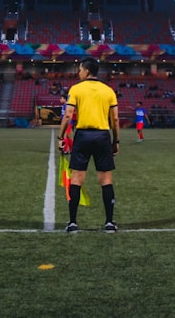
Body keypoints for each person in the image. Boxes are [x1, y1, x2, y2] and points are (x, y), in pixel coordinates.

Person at [57, 57, 119, 233]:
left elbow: (68, 115)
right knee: (106, 180)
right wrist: (116, 141)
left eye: (79, 69)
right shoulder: (108, 91)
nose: (78, 72)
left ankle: (72, 223)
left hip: (83, 136)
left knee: (76, 179)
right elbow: (114, 119)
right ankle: (109, 222)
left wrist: (60, 137)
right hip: (102, 136)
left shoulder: (76, 89)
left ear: (87, 71)